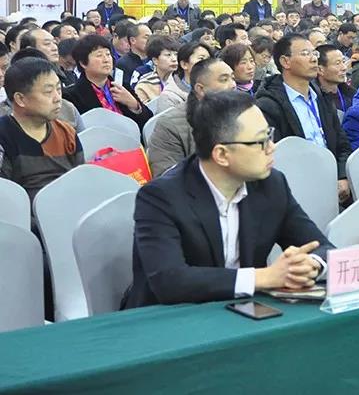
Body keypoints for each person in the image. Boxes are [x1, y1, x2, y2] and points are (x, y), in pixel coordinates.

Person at [122, 91, 332, 308]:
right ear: (221, 154)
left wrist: (309, 265)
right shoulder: (161, 197)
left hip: (244, 310)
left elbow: (322, 247)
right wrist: (264, 277)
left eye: (270, 135)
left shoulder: (271, 185)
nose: (272, 147)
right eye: (261, 141)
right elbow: (170, 280)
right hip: (170, 317)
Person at [255, 35, 353, 202]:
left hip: (332, 183)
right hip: (295, 190)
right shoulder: (268, 106)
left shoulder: (322, 97)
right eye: (305, 53)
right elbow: (273, 159)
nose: (314, 59)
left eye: (314, 53)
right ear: (285, 62)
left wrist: (342, 176)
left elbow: (342, 144)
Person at [0, 57, 84, 204]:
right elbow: (6, 199)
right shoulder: (4, 137)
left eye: (58, 89)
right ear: (20, 99)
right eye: (48, 92)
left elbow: (82, 180)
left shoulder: (66, 132)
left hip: (72, 207)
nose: (57, 98)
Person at [148, 58, 236, 175]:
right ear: (201, 89)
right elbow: (167, 178)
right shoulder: (170, 125)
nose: (233, 85)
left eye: (233, 78)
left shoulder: (243, 115)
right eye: (224, 79)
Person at [64, 34, 152, 132]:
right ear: (83, 63)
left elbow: (148, 122)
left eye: (108, 54)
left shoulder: (121, 86)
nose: (106, 60)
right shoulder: (72, 96)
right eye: (99, 55)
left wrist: (134, 105)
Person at [150, 41, 211, 114]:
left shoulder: (216, 86)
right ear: (184, 64)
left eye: (209, 59)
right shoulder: (169, 97)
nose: (208, 63)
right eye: (201, 58)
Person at [133, 36, 179, 106]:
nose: (174, 59)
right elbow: (143, 110)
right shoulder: (144, 85)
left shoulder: (183, 79)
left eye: (176, 54)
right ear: (155, 60)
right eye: (168, 55)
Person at [316, 44, 356, 118]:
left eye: (343, 61)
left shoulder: (351, 95)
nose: (344, 68)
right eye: (337, 63)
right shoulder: (316, 101)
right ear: (320, 70)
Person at [112, 21, 151, 89]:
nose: (150, 40)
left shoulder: (154, 60)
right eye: (146, 37)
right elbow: (117, 89)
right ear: (133, 40)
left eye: (151, 37)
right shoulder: (121, 64)